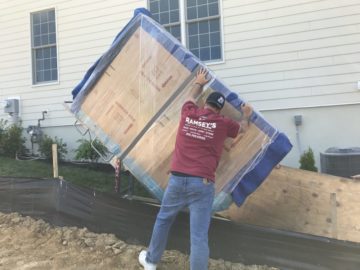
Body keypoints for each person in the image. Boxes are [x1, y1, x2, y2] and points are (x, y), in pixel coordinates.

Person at [138, 68, 253, 270]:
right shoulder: (223, 123)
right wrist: (246, 115)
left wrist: (199, 81)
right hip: (202, 183)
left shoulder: (188, 112)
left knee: (163, 220)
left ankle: (151, 262)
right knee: (198, 236)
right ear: (220, 109)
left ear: (205, 103)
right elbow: (243, 128)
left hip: (177, 179)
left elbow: (190, 96)